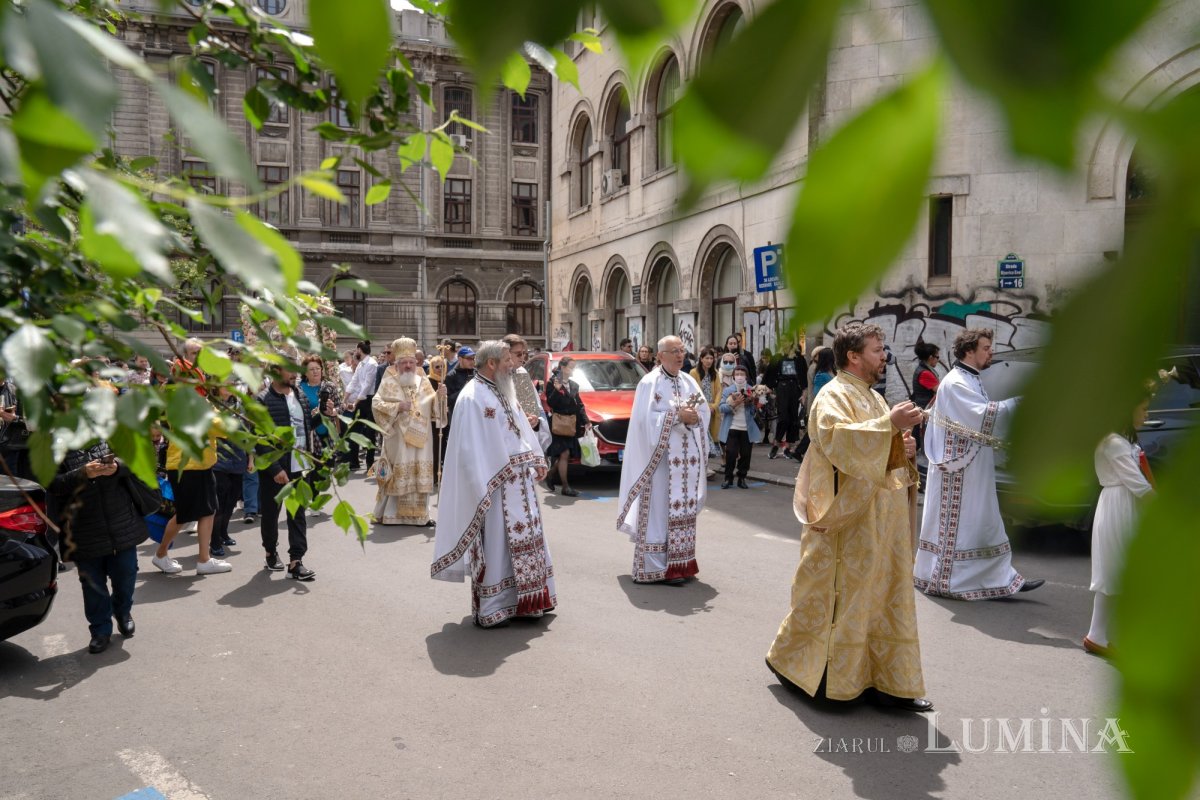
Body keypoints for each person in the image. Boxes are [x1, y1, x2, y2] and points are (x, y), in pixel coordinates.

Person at [765, 323, 932, 711]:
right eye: (877, 350)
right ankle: (809, 673)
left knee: (882, 598)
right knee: (843, 600)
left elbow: (881, 448)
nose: (884, 356)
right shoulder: (832, 396)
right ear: (854, 356)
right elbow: (840, 443)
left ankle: (887, 681)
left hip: (881, 522)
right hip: (847, 524)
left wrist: (902, 446)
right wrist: (890, 427)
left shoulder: (873, 398)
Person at [431, 340, 556, 627]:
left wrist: (536, 457)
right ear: (491, 364)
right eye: (508, 360)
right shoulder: (471, 397)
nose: (512, 364)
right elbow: (470, 449)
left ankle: (530, 601)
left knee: (528, 540)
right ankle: (494, 607)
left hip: (520, 485)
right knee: (498, 547)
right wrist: (487, 480)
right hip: (496, 485)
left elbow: (520, 427)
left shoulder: (504, 388)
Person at [913, 328, 1044, 599]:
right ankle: (946, 579)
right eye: (986, 347)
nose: (990, 352)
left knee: (983, 521)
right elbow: (982, 417)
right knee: (966, 524)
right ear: (969, 351)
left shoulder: (970, 378)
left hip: (972, 466)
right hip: (958, 471)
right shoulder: (956, 382)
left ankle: (998, 578)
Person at [618, 335, 710, 584]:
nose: (680, 355)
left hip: (684, 463)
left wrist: (694, 417)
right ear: (661, 356)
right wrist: (675, 416)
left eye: (682, 350)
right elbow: (643, 423)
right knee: (658, 514)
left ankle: (680, 564)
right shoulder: (649, 383)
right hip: (658, 463)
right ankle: (654, 568)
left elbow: (703, 412)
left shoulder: (689, 381)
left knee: (682, 512)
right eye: (674, 351)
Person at [49, 442, 148, 654]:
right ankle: (100, 631)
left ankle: (122, 611)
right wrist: (82, 473)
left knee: (126, 574)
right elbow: (52, 484)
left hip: (121, 521)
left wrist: (118, 466)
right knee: (92, 584)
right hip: (83, 528)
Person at [1086, 398, 1155, 657]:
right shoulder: (1114, 442)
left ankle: (1099, 635)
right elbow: (1137, 483)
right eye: (1144, 408)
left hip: (1124, 503)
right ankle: (1100, 636)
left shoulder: (1123, 441)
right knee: (1117, 569)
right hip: (1119, 504)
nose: (1147, 414)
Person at [372, 337, 446, 526]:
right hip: (399, 437)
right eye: (403, 362)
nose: (407, 366)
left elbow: (434, 409)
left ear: (416, 363)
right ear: (396, 364)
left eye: (411, 362)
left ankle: (421, 516)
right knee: (399, 472)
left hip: (422, 438)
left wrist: (440, 397)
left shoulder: (424, 382)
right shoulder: (389, 382)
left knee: (420, 472)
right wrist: (397, 407)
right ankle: (390, 514)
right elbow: (376, 404)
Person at [257, 358, 317, 581]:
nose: (295, 374)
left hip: (300, 465)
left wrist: (326, 415)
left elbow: (306, 426)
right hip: (275, 469)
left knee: (297, 513)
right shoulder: (263, 400)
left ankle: (296, 561)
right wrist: (274, 469)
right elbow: (260, 438)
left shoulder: (300, 395)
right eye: (290, 370)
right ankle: (270, 551)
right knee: (271, 514)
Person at [151, 415, 232, 576]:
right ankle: (163, 554)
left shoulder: (184, 395)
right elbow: (221, 428)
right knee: (186, 513)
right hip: (189, 464)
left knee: (206, 511)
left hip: (197, 463)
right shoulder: (191, 397)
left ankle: (203, 559)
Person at [544, 356, 589, 496]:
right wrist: (557, 390)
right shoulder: (553, 383)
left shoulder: (574, 384)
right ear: (562, 367)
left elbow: (579, 404)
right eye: (571, 367)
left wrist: (586, 420)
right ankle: (565, 486)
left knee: (566, 455)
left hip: (571, 424)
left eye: (574, 367)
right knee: (564, 453)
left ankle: (550, 474)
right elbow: (551, 403)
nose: (572, 370)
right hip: (558, 422)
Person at [210, 386, 246, 558]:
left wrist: (250, 458)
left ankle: (224, 532)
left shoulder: (238, 404)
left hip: (238, 458)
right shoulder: (210, 404)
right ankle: (214, 540)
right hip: (218, 459)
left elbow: (247, 431)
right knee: (219, 503)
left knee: (232, 499)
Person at [719, 364, 762, 489]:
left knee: (746, 454)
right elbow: (721, 407)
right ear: (733, 376)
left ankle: (742, 477)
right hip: (732, 426)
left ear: (746, 376)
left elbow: (754, 411)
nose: (739, 377)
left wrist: (753, 403)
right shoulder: (728, 390)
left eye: (742, 374)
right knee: (731, 453)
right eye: (737, 374)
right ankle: (728, 478)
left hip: (747, 428)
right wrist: (734, 403)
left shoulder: (751, 389)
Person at [766, 344, 809, 460]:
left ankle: (787, 447)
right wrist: (769, 389)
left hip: (795, 388)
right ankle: (776, 443)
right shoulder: (778, 357)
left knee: (793, 419)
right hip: (782, 387)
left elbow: (804, 375)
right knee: (783, 417)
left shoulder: (798, 358)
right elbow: (770, 373)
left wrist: (804, 393)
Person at [342, 340, 378, 471]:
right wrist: (344, 399)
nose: (354, 352)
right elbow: (353, 382)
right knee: (352, 429)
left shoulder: (372, 364)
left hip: (369, 400)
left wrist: (355, 403)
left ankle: (370, 462)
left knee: (369, 432)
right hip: (361, 400)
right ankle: (354, 461)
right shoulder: (361, 365)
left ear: (359, 350)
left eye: (356, 350)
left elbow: (366, 386)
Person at [299, 355, 340, 454]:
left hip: (329, 435)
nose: (315, 371)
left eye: (318, 368)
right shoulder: (299, 389)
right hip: (310, 436)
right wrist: (310, 414)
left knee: (329, 465)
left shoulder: (330, 386)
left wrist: (333, 412)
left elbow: (340, 406)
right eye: (312, 369)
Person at [689, 346, 722, 462]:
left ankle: (706, 465)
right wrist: (706, 407)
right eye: (706, 358)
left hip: (712, 409)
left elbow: (719, 391)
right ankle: (702, 466)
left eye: (711, 358)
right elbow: (693, 392)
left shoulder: (715, 373)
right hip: (700, 409)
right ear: (701, 359)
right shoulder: (694, 372)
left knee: (711, 436)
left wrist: (714, 406)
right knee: (702, 436)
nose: (709, 361)